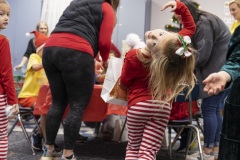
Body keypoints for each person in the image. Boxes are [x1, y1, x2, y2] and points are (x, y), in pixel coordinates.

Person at [41, 0, 120, 159]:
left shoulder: (76, 2)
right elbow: (104, 41)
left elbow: (76, 31)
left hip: (50, 49)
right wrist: (104, 60)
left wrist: (94, 55)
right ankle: (68, 154)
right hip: (76, 52)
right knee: (77, 106)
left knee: (58, 102)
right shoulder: (107, 8)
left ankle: (48, 151)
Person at [120, 1, 196, 159]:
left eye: (155, 42)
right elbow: (190, 29)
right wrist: (180, 6)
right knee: (148, 152)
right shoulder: (172, 50)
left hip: (137, 105)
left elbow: (125, 81)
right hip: (161, 107)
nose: (154, 34)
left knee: (133, 147)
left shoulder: (134, 55)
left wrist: (179, 6)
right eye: (161, 34)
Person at [174, 1, 231, 159]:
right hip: (222, 69)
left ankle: (207, 153)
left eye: (178, 14)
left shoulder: (203, 23)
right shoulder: (204, 20)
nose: (176, 17)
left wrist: (181, 63)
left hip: (217, 71)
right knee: (214, 109)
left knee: (209, 108)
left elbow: (202, 54)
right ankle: (215, 151)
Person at [17, 31, 49, 151]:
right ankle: (46, 141)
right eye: (46, 49)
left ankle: (39, 133)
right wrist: (47, 61)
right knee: (44, 110)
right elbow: (35, 67)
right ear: (39, 49)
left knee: (53, 109)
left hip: (41, 98)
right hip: (28, 96)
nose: (48, 53)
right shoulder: (33, 57)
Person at [0, 0, 19, 159]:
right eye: (1, 14)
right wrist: (13, 101)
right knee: (1, 135)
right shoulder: (2, 41)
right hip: (0, 98)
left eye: (8, 14)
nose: (6, 18)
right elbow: (7, 75)